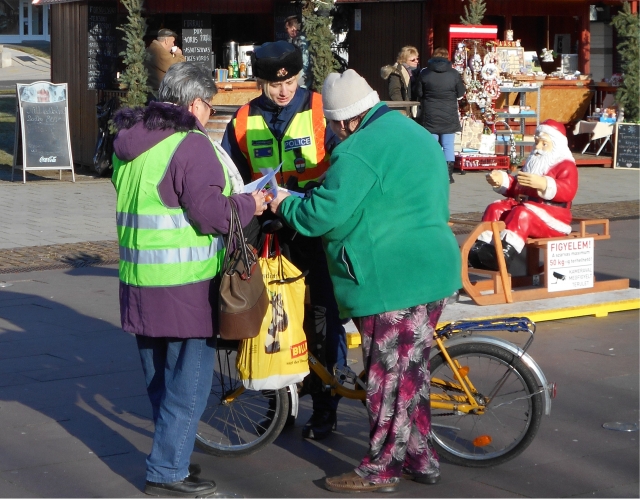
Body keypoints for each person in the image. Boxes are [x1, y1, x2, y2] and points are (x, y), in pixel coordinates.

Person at [269, 69, 462, 494]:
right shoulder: (410, 131)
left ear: (343, 122)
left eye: (333, 128)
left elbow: (319, 217)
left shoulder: (358, 151)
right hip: (433, 270)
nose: (334, 135)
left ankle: (380, 470)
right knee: (411, 375)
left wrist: (284, 203)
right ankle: (420, 457)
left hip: (392, 279)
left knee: (387, 381)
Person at [111, 62, 266, 498]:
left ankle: (171, 457)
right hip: (186, 286)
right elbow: (211, 214)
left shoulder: (129, 143)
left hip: (138, 283)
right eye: (211, 108)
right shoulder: (190, 144)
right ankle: (166, 473)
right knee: (190, 386)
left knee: (161, 382)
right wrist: (250, 202)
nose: (210, 115)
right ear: (195, 104)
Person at [221, 40, 346, 441]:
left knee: (323, 317)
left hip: (315, 229)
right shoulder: (242, 119)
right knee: (269, 316)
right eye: (274, 84)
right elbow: (231, 175)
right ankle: (280, 406)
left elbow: (344, 168)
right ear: (259, 82)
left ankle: (326, 406)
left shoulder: (322, 111)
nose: (283, 90)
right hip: (270, 233)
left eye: (290, 81)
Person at [468, 119, 579, 272]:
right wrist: (503, 181)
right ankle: (480, 250)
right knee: (495, 208)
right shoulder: (535, 162)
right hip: (527, 207)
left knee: (521, 214)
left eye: (544, 144)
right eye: (536, 142)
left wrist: (544, 184)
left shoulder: (566, 166)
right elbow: (519, 189)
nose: (538, 148)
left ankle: (503, 255)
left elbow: (568, 191)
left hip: (552, 217)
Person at [416, 47, 466, 184]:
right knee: (448, 145)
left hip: (430, 114)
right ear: (447, 58)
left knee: (432, 145)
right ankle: (448, 175)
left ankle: (432, 172)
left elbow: (419, 93)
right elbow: (461, 93)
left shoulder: (425, 73)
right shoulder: (454, 74)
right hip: (449, 114)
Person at [380, 45, 420, 117]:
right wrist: (401, 110)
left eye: (417, 59)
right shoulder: (396, 72)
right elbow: (395, 92)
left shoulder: (416, 72)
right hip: (403, 111)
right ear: (404, 60)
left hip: (413, 110)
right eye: (413, 60)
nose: (416, 61)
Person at [144, 28, 186, 93]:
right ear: (166, 41)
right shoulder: (158, 51)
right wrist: (179, 54)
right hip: (157, 92)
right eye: (173, 42)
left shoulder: (155, 49)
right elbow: (176, 67)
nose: (173, 45)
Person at [284, 15, 311, 89]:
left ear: (293, 28)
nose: (286, 31)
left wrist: (300, 81)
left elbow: (305, 61)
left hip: (302, 81)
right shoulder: (294, 41)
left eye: (287, 29)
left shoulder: (302, 41)